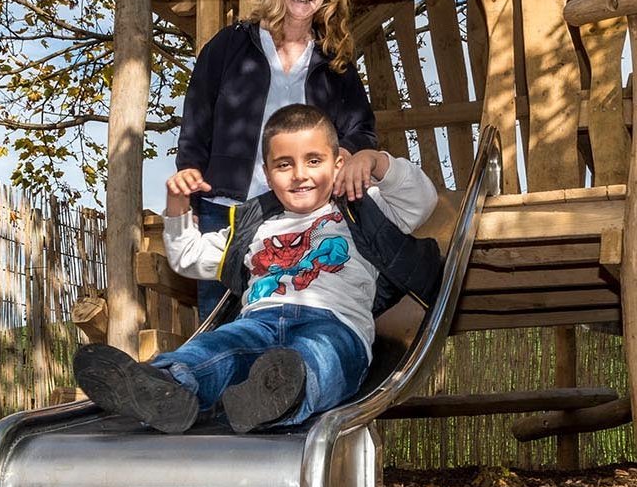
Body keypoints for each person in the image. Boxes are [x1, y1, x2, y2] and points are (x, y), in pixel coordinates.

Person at [74, 104, 441, 435]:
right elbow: (188, 257)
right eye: (285, 165)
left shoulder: (365, 208)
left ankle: (279, 398)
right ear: (267, 174)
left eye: (314, 160)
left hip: (334, 324)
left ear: (337, 164)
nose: (300, 175)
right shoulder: (254, 225)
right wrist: (177, 205)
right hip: (257, 323)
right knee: (217, 349)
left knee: (322, 359)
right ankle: (166, 387)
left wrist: (376, 161)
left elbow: (422, 201)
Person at [172, 0, 377, 319]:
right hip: (227, 211)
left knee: (285, 322)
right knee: (217, 324)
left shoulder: (335, 64)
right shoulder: (229, 46)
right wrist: (191, 200)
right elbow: (196, 127)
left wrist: (345, 159)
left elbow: (362, 130)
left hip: (299, 216)